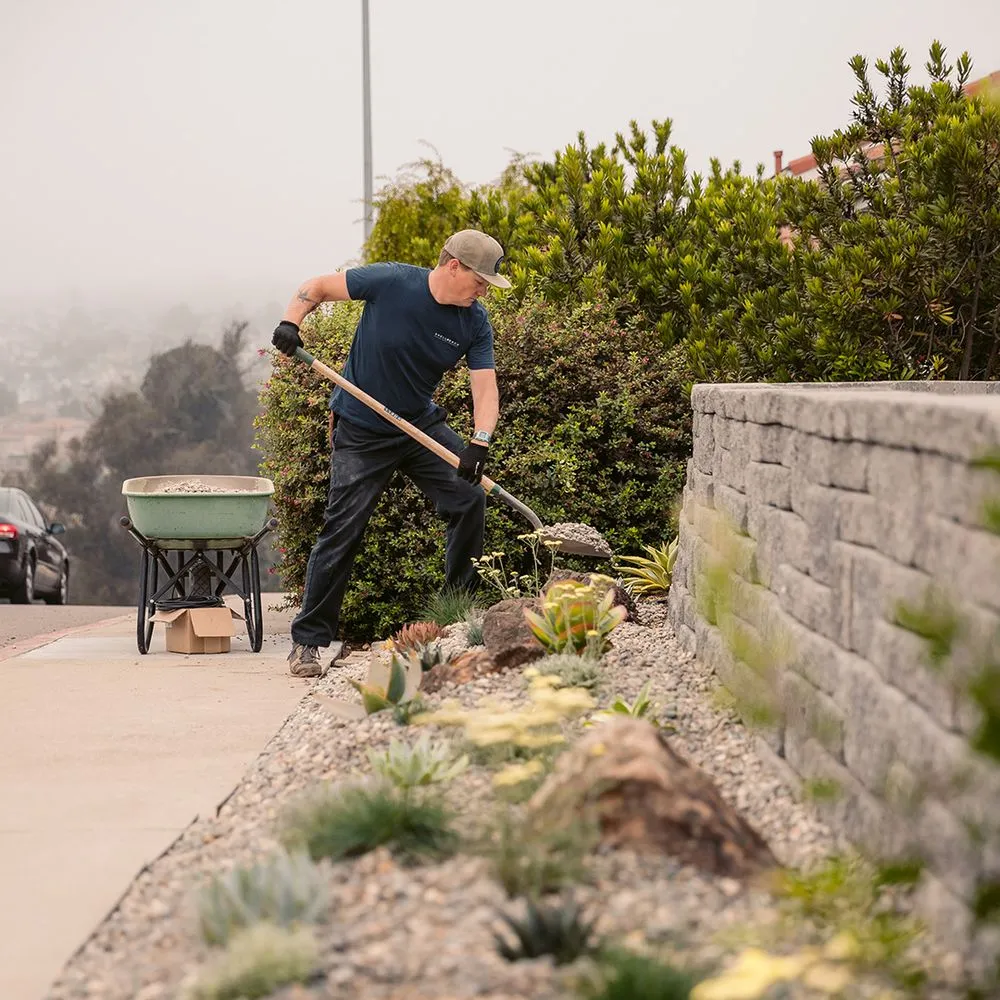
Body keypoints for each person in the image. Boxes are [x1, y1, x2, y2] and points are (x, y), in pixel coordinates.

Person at [271, 229, 511, 677]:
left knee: (469, 498)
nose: (483, 292)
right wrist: (292, 322)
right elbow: (318, 286)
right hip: (361, 428)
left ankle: (455, 616)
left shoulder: (474, 322)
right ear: (453, 265)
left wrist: (480, 440)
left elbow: (485, 387)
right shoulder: (392, 281)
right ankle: (307, 644)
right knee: (343, 528)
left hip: (418, 425)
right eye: (480, 281)